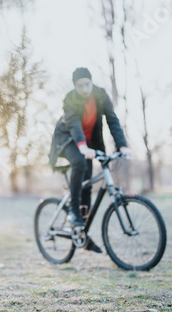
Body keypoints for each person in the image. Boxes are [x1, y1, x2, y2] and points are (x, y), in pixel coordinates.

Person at [48, 67, 132, 253]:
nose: (85, 89)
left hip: (88, 143)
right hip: (68, 140)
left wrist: (122, 145)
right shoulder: (70, 100)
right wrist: (82, 146)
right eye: (80, 86)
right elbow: (74, 125)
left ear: (91, 82)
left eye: (87, 84)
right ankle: (74, 213)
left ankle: (82, 235)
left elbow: (112, 119)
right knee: (79, 162)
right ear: (75, 86)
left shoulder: (100, 96)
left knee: (87, 182)